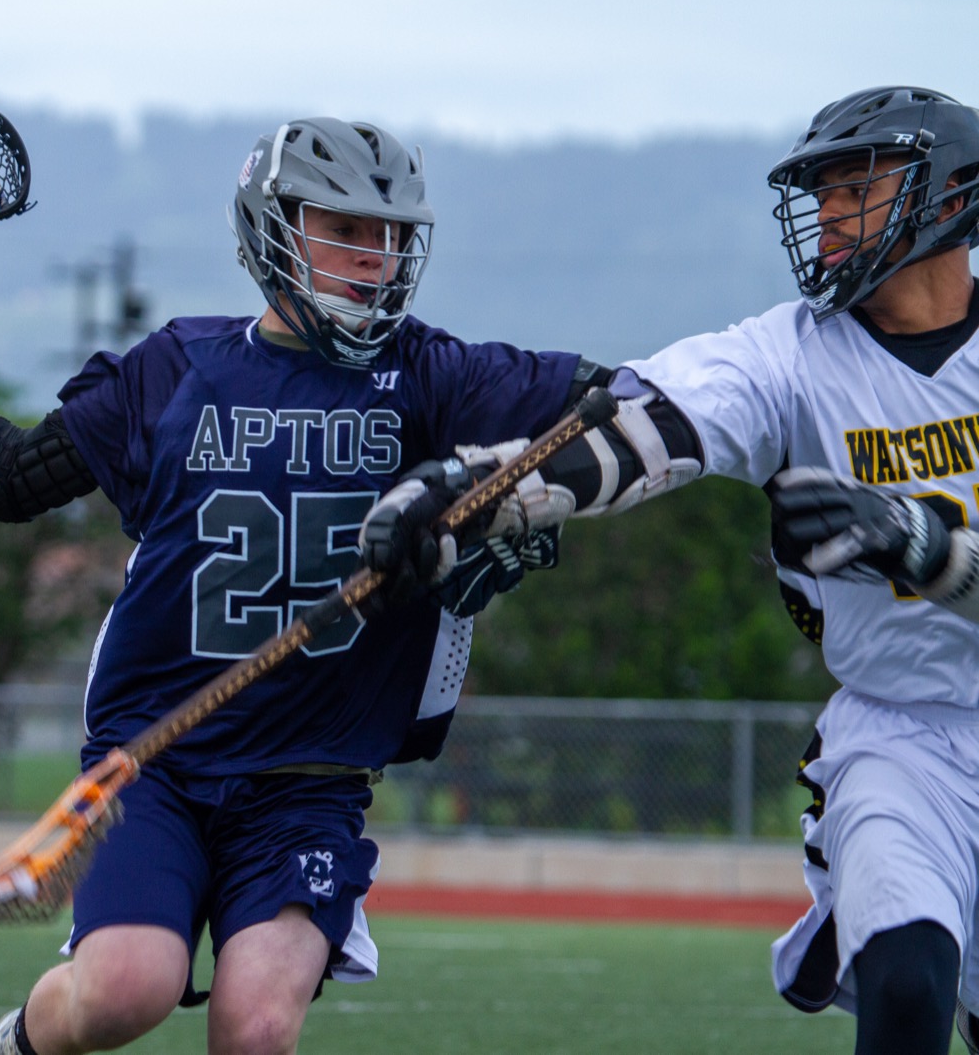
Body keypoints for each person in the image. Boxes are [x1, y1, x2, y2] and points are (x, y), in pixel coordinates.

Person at [0, 116, 615, 1054]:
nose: (375, 258)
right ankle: (19, 1043)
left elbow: (625, 407)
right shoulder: (177, 368)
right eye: (345, 230)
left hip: (310, 775)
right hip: (155, 759)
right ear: (272, 224)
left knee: (254, 1030)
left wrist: (529, 498)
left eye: (391, 236)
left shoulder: (434, 375)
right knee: (125, 991)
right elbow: (14, 477)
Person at [361, 85, 979, 1055]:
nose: (825, 213)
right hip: (899, 735)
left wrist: (927, 548)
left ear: (948, 198)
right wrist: (476, 487)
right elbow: (640, 429)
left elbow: (932, 554)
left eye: (853, 185)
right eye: (817, 190)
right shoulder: (789, 354)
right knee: (905, 983)